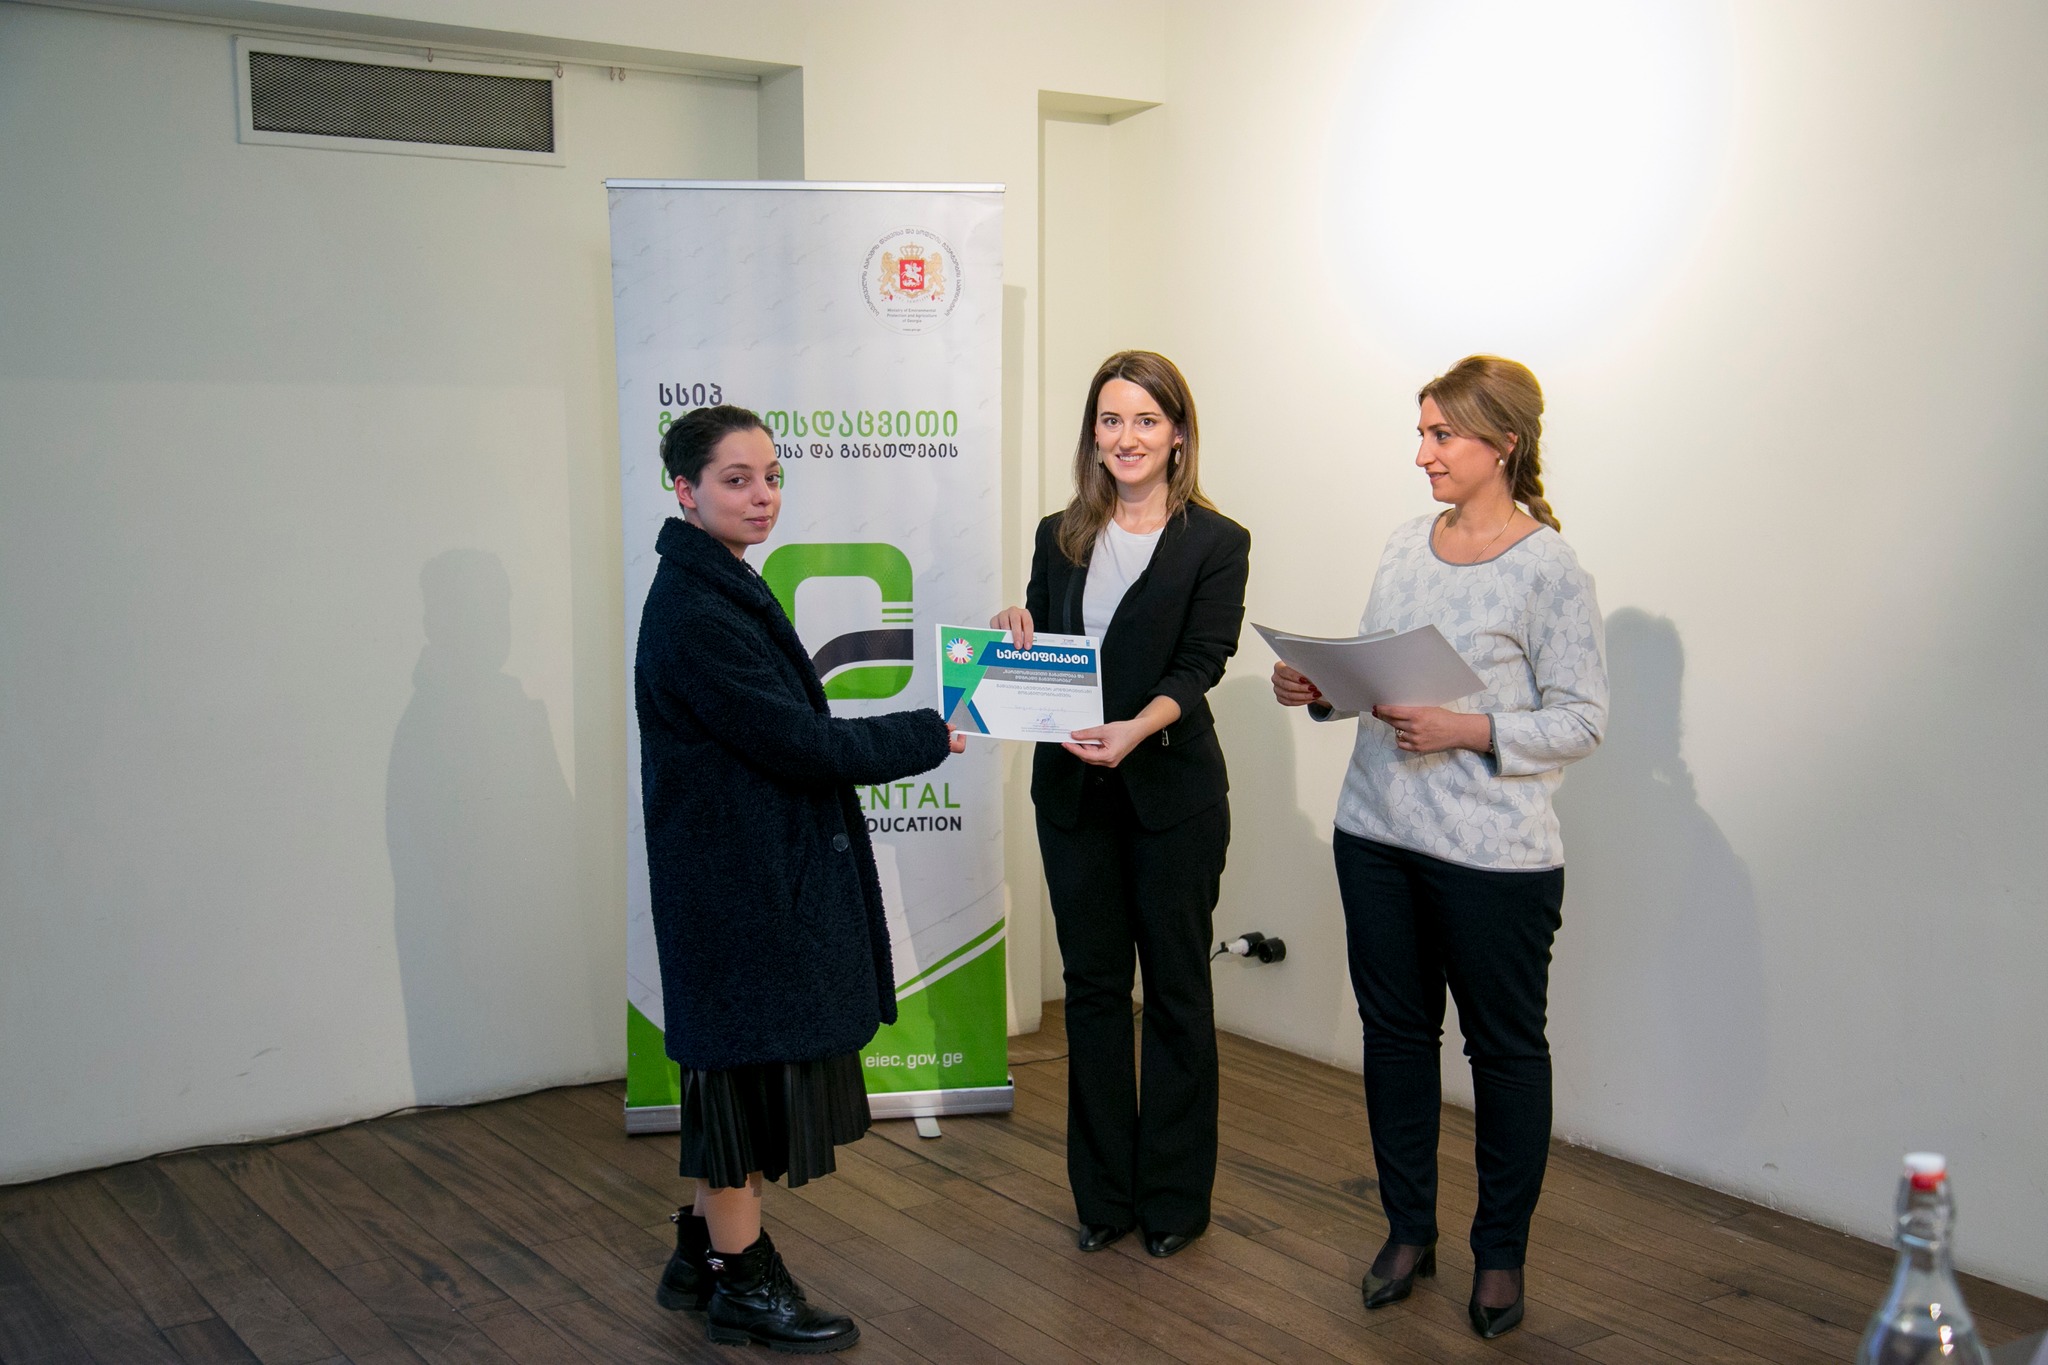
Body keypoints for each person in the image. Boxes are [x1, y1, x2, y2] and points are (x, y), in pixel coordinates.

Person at [1271, 356, 1606, 1340]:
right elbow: (1377, 676)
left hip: (1493, 860)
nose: (1421, 453)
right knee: (1394, 1038)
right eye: (1420, 432)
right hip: (1375, 835)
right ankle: (1407, 1230)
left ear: (1501, 443)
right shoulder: (1401, 545)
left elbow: (1583, 719)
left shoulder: (1549, 569)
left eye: (1440, 435)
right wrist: (1321, 689)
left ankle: (1499, 1254)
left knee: (1503, 1053)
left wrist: (1470, 730)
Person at [636, 404, 964, 1353]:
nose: (763, 495)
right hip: (735, 892)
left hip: (740, 880)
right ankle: (745, 1284)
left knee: (736, 1077)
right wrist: (927, 732)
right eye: (737, 479)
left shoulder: (715, 582)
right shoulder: (697, 610)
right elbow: (800, 743)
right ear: (685, 489)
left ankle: (701, 1254)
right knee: (739, 1088)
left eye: (772, 476)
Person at [991, 351, 1250, 1259]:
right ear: (1092, 434)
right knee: (1095, 991)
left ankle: (1175, 1199)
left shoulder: (1217, 541)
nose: (1127, 437)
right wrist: (1015, 630)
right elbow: (1044, 644)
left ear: (1178, 433)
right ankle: (1103, 1196)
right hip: (1073, 794)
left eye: (1146, 419)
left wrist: (1137, 727)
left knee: (1176, 990)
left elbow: (1203, 660)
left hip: (1171, 792)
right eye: (1111, 419)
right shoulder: (1059, 533)